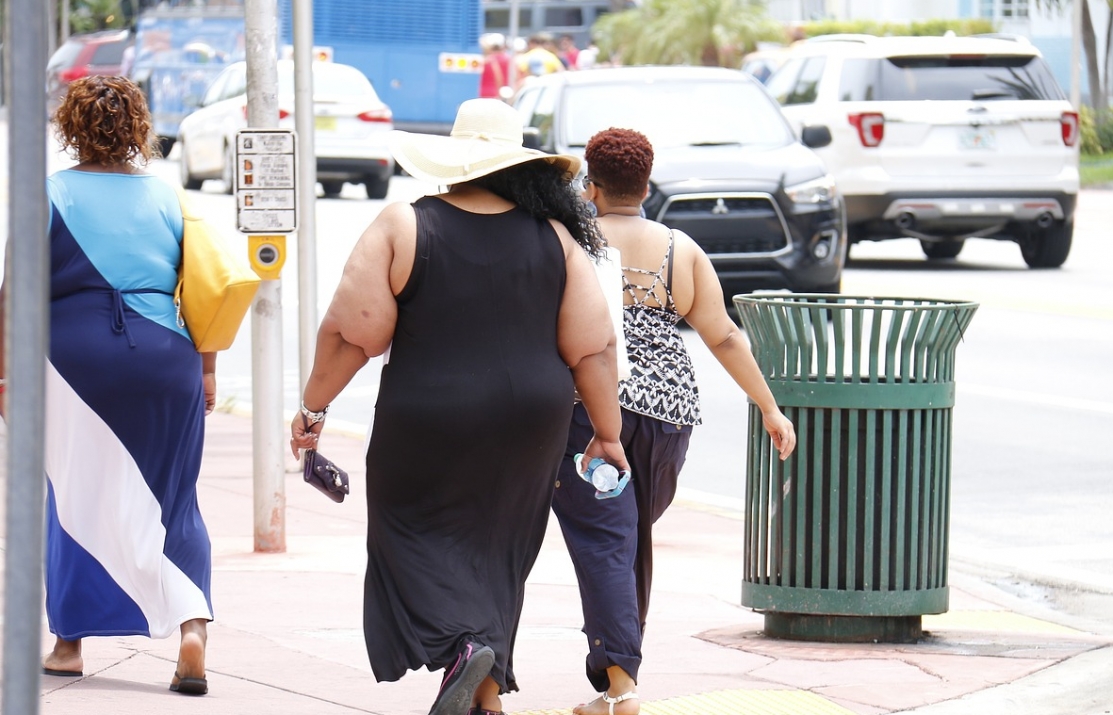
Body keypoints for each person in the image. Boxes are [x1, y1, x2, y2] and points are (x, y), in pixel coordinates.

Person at [288, 98, 629, 715]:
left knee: (407, 530)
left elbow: (352, 333)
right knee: (500, 545)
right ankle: (485, 694)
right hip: (533, 419)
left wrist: (313, 411)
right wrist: (608, 434)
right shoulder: (557, 238)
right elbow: (594, 349)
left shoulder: (406, 225)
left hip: (429, 412)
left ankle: (463, 646)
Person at [552, 128, 797, 715]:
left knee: (606, 541)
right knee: (629, 538)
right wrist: (768, 406)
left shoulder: (567, 241)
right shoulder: (677, 249)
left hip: (591, 412)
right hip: (667, 419)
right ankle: (616, 675)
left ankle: (619, 685)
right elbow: (723, 335)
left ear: (592, 183)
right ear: (647, 183)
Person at [0, 76, 215, 695]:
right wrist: (204, 372)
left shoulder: (48, 194)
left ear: (71, 128)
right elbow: (203, 292)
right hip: (165, 355)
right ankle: (192, 627)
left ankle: (69, 646)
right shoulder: (170, 199)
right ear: (138, 128)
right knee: (175, 498)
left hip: (74, 363)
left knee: (73, 494)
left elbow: (15, 296)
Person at [478, 32, 510, 99]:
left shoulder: (481, 61)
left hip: (479, 93)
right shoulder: (508, 58)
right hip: (493, 94)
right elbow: (498, 78)